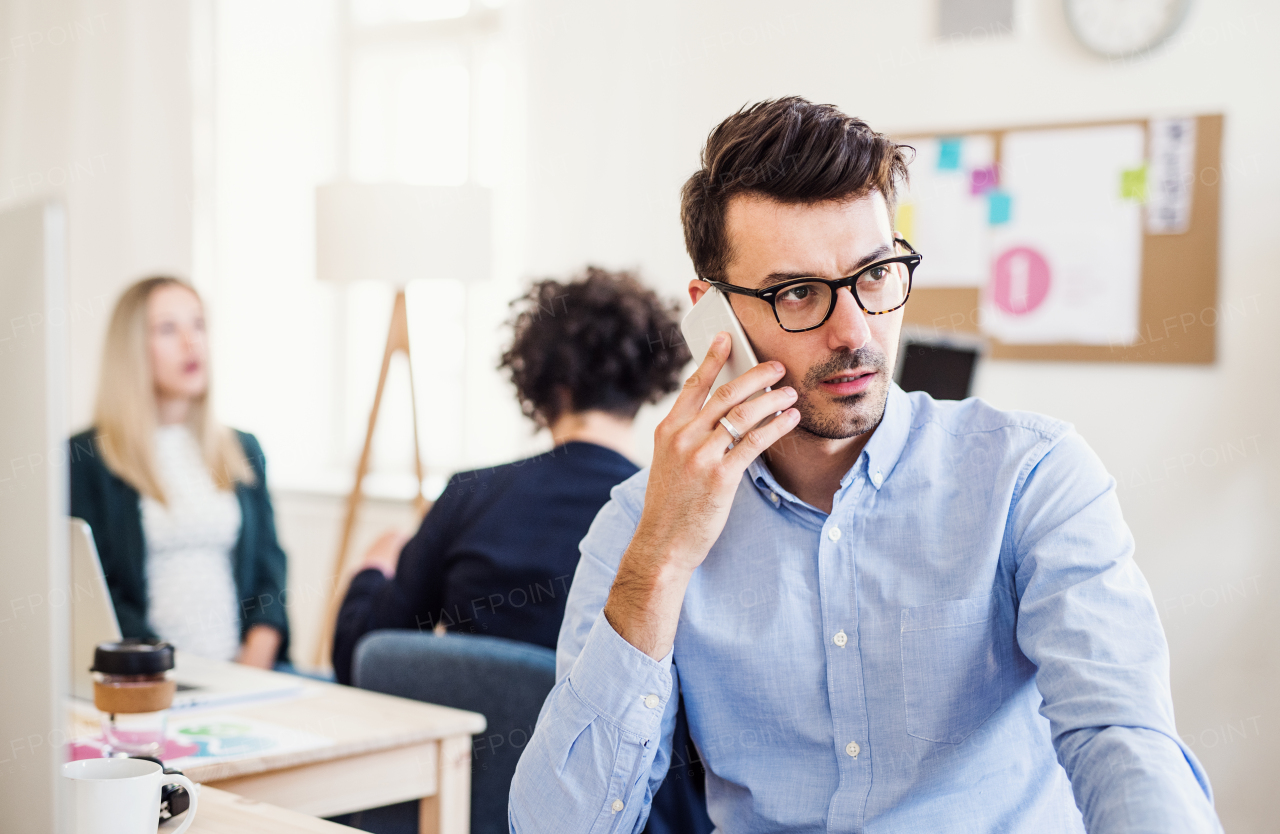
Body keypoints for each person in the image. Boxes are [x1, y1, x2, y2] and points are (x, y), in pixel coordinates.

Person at [509, 98, 1222, 833]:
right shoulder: (641, 523)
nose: (855, 333)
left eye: (875, 274)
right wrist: (659, 560)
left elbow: (1121, 736)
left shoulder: (1030, 477)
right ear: (712, 314)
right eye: (797, 293)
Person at [333, 267, 710, 834]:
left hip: (454, 808)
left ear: (542, 385)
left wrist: (373, 565)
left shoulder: (469, 495)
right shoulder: (675, 517)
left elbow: (360, 654)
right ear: (646, 384)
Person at [70, 276, 289, 668]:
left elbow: (270, 570)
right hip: (149, 675)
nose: (192, 343)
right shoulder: (87, 458)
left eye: (199, 325)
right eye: (168, 329)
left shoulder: (244, 448)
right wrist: (168, 668)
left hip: (247, 673)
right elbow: (99, 594)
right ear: (132, 349)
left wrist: (254, 661)